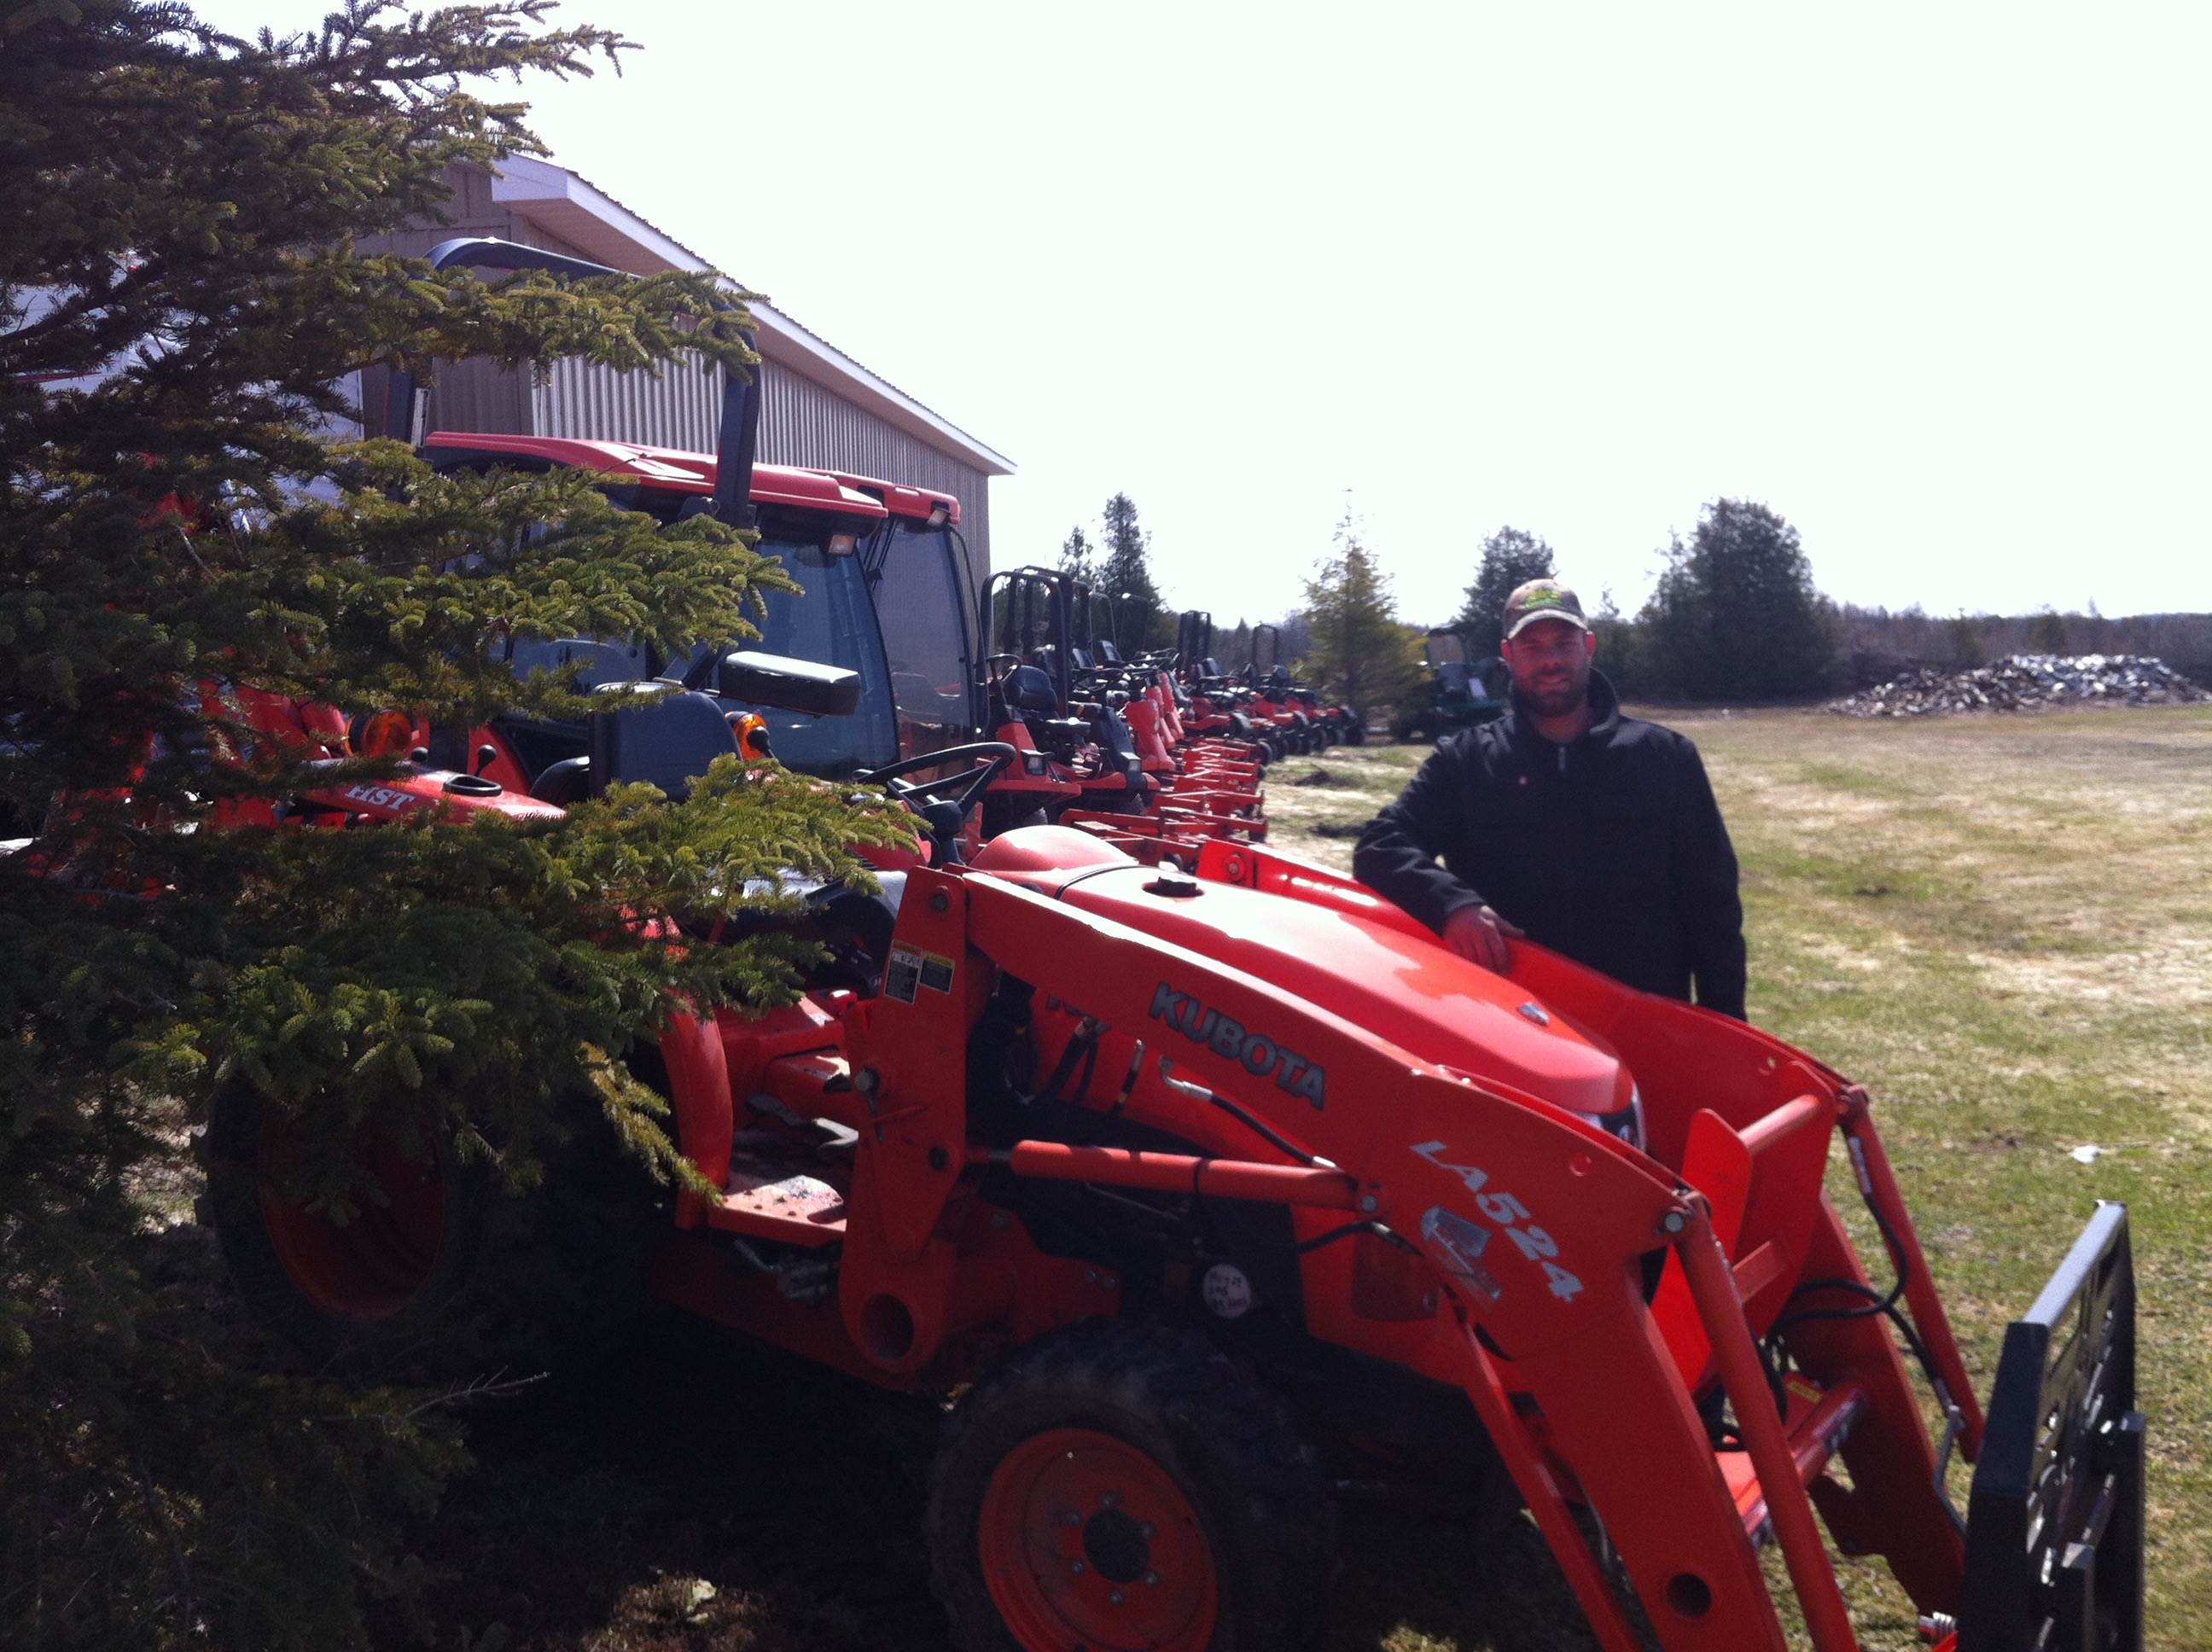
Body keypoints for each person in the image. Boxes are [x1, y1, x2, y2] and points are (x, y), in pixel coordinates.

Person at [1353, 579, 1747, 1019]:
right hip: (1511, 1024)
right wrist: (1452, 904)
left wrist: (1726, 1022)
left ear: (1589, 645)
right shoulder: (1465, 761)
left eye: (1564, 642)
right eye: (1532, 647)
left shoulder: (1665, 759)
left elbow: (1712, 906)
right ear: (1507, 656)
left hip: (1642, 1024)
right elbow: (1380, 846)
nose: (1552, 661)